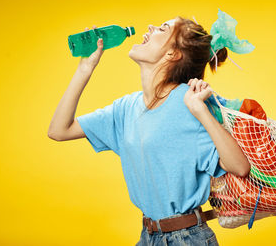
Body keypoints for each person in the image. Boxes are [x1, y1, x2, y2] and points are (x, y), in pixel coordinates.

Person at [48, 16, 251, 245]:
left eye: (162, 28)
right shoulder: (125, 108)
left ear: (172, 54)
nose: (150, 28)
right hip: (148, 236)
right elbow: (59, 130)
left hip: (187, 238)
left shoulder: (187, 102)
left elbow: (240, 167)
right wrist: (85, 68)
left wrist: (199, 109)